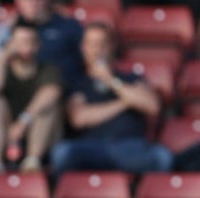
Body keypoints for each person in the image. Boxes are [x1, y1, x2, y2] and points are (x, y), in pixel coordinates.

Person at [48, 22, 173, 180]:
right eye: (91, 45)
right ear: (83, 48)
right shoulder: (78, 82)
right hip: (90, 148)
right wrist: (125, 102)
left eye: (102, 44)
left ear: (111, 47)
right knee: (62, 153)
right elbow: (79, 118)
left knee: (162, 157)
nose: (97, 50)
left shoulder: (131, 78)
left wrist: (112, 81)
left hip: (129, 148)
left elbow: (152, 106)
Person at [0, 17, 63, 174]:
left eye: (30, 41)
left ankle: (33, 161)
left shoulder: (48, 68)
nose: (26, 46)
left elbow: (51, 93)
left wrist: (24, 121)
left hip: (39, 134)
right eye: (21, 41)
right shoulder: (4, 69)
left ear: (38, 44)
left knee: (47, 108)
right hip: (7, 132)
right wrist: (4, 55)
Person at [13, 0, 83, 91]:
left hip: (63, 91)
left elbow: (91, 57)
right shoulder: (8, 30)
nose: (31, 2)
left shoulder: (69, 27)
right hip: (22, 91)